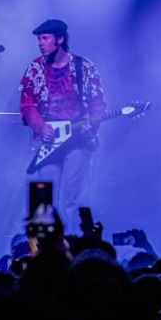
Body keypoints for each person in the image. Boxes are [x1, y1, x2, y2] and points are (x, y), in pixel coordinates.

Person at [19, 18, 106, 230]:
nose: (40, 43)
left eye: (45, 38)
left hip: (78, 140)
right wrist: (40, 127)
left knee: (71, 200)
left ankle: (72, 247)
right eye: (39, 39)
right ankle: (41, 250)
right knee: (42, 199)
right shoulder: (35, 68)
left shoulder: (84, 67)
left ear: (60, 39)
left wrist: (91, 125)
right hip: (48, 141)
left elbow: (98, 103)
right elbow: (27, 104)